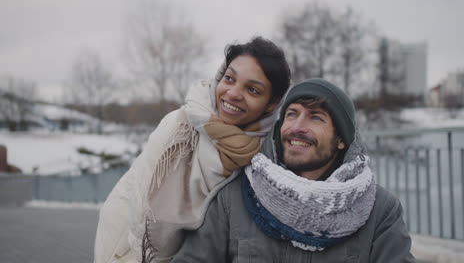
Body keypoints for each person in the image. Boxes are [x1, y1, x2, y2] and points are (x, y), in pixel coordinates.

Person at [172, 78, 415, 262]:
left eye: (316, 117)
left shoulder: (379, 209)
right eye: (291, 114)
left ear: (341, 139)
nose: (297, 127)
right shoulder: (234, 197)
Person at [94, 37, 291, 263]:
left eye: (253, 90)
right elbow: (137, 204)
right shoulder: (179, 126)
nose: (233, 93)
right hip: (128, 248)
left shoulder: (267, 158)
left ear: (271, 104)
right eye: (229, 78)